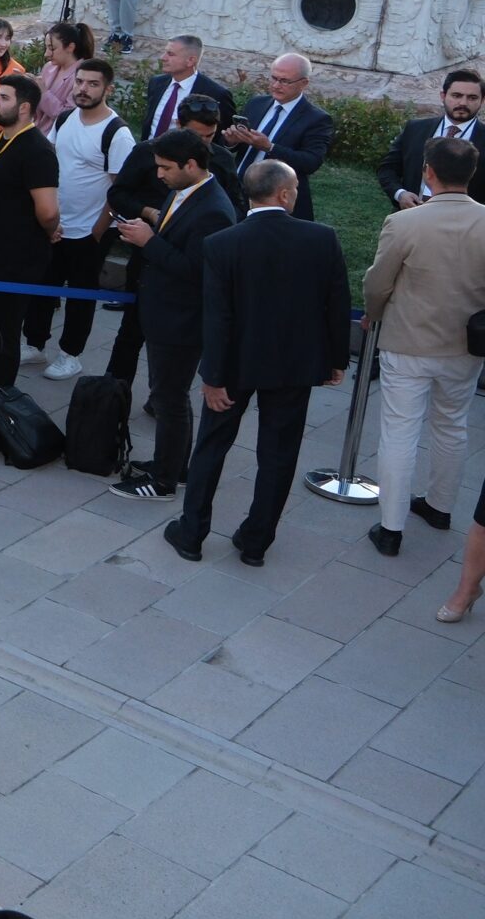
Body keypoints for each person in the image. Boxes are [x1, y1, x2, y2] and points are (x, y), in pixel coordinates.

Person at [165, 160, 352, 566]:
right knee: (279, 454)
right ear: (284, 194)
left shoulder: (222, 243)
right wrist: (336, 360)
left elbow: (217, 317)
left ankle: (192, 534)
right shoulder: (321, 238)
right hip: (294, 366)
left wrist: (212, 377)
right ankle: (255, 542)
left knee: (211, 448)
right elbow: (337, 305)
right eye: (296, 189)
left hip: (232, 367)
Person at [362, 137, 485, 556]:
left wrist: (371, 313)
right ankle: (439, 507)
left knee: (399, 431)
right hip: (465, 347)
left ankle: (391, 528)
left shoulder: (404, 223)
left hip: (408, 342)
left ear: (427, 172)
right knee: (452, 425)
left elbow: (377, 283)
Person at [107, 128, 242, 501]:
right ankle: (174, 465)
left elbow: (197, 271)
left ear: (192, 165)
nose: (159, 175)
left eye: (166, 168)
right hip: (165, 312)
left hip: (182, 320)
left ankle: (164, 481)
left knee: (169, 398)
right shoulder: (184, 193)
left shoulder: (213, 211)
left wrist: (149, 242)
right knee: (169, 396)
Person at [23, 55, 130, 382]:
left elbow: (120, 191)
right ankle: (35, 343)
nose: (83, 89)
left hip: (90, 233)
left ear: (107, 88)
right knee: (43, 286)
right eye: (80, 82)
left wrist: (97, 232)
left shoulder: (118, 133)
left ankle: (71, 355)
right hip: (56, 224)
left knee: (81, 296)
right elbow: (51, 163)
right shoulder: (66, 118)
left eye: (92, 84)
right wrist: (49, 219)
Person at [0, 76, 60, 389]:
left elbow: (48, 210)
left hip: (16, 258)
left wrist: (51, 230)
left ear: (24, 108)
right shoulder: (2, 138)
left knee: (5, 328)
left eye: (4, 97)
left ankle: (1, 390)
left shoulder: (37, 150)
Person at [226, 53, 335, 221]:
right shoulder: (257, 104)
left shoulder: (316, 119)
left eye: (284, 81)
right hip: (236, 190)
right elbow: (234, 146)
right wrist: (231, 141)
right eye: (273, 78)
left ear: (304, 83)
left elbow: (311, 162)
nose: (276, 85)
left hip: (274, 199)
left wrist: (270, 148)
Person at [377, 68, 483, 209]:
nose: (463, 102)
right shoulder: (415, 129)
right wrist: (400, 194)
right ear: (443, 96)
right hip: (411, 217)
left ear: (482, 100)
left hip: (465, 226)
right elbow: (387, 169)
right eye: (456, 95)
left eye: (472, 98)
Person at [140, 34, 237, 143]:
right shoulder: (157, 83)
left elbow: (223, 138)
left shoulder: (216, 94)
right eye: (165, 52)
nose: (163, 58)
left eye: (170, 54)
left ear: (190, 60)